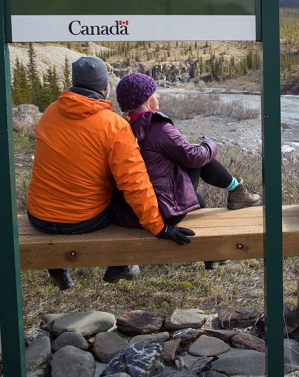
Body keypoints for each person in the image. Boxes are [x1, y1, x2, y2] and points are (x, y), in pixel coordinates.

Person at [26, 56, 195, 290]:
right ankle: (121, 264)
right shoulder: (114, 125)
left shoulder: (50, 113)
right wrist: (159, 227)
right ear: (105, 90)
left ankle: (58, 269)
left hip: (38, 217)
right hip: (85, 221)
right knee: (118, 197)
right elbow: (135, 182)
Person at [115, 72, 261, 269]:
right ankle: (237, 191)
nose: (158, 96)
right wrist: (210, 144)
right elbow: (194, 158)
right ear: (146, 100)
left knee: (198, 200)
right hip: (163, 211)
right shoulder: (156, 126)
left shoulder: (122, 126)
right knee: (200, 157)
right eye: (155, 93)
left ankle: (211, 252)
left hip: (130, 211)